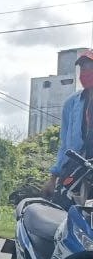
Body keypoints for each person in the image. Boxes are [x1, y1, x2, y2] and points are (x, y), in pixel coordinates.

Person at [44, 49, 93, 197]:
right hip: (76, 169)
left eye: (90, 67)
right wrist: (53, 178)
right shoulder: (71, 103)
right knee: (62, 205)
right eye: (83, 68)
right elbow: (65, 145)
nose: (85, 72)